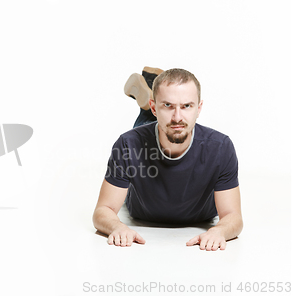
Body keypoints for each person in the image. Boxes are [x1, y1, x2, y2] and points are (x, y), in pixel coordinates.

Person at [92, 67, 243, 251]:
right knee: (148, 129)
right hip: (142, 201)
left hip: (200, 215)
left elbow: (233, 216)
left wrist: (219, 231)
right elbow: (102, 210)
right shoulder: (127, 145)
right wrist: (117, 227)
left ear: (199, 108)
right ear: (155, 107)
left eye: (187, 106)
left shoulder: (220, 147)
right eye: (167, 105)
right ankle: (149, 102)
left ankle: (154, 87)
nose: (177, 116)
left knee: (170, 126)